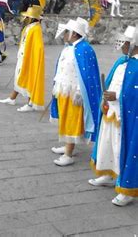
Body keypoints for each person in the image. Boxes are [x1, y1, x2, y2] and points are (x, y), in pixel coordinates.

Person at [89, 26, 138, 206]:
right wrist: (106, 98)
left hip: (127, 117)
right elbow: (111, 82)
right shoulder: (121, 61)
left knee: (122, 147)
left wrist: (118, 97)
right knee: (108, 143)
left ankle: (127, 189)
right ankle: (108, 173)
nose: (120, 44)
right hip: (112, 112)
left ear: (133, 44)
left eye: (124, 41)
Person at [50, 18, 102, 166]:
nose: (64, 34)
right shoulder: (68, 48)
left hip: (74, 93)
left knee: (72, 120)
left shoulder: (85, 50)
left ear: (74, 34)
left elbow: (88, 74)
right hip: (63, 89)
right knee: (65, 118)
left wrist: (80, 92)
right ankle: (67, 144)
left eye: (67, 32)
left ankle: (68, 153)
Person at [0, 5, 45, 112]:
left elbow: (38, 47)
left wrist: (32, 58)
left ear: (31, 18)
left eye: (27, 17)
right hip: (23, 57)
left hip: (29, 59)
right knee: (19, 76)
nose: (24, 19)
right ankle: (12, 98)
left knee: (28, 78)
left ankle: (30, 103)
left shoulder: (36, 29)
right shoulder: (29, 27)